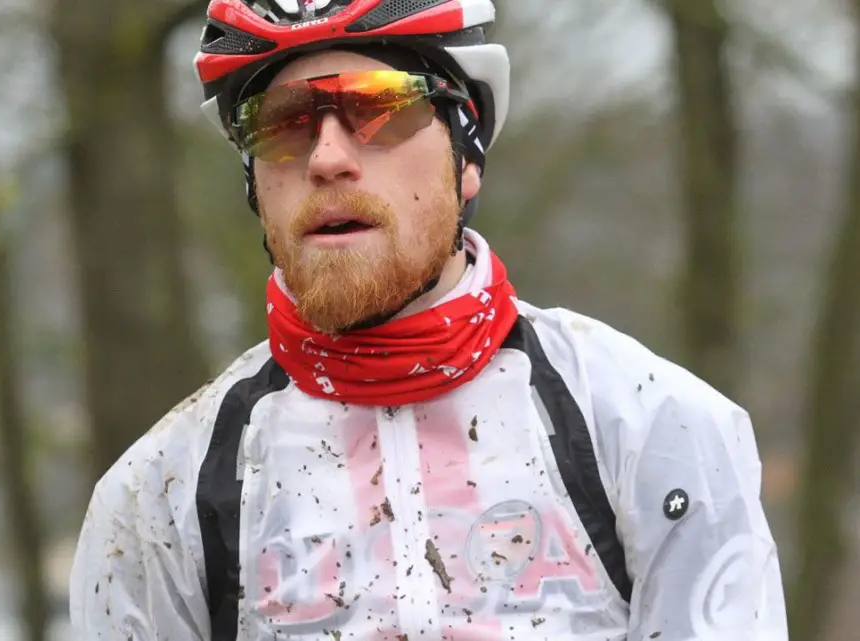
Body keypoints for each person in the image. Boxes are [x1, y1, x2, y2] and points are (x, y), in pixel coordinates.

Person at [68, 0, 789, 639]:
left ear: (466, 153)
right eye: (282, 124)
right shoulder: (156, 498)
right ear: (252, 184)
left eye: (379, 107)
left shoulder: (654, 429)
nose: (326, 158)